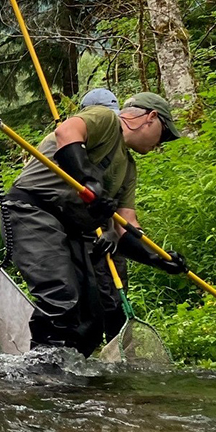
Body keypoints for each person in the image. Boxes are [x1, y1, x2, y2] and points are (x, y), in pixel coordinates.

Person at [2, 92, 188, 357]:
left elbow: (126, 226)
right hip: (32, 211)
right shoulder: (105, 119)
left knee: (91, 318)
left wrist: (157, 258)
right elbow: (67, 132)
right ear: (151, 117)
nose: (161, 143)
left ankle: (72, 382)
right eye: (164, 134)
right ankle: (41, 376)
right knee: (61, 298)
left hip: (72, 228)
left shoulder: (129, 169)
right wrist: (88, 180)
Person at [79, 88, 128, 342]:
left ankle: (117, 345)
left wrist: (113, 233)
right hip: (83, 234)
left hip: (109, 232)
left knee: (118, 296)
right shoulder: (76, 152)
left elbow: (121, 207)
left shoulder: (122, 157)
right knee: (99, 296)